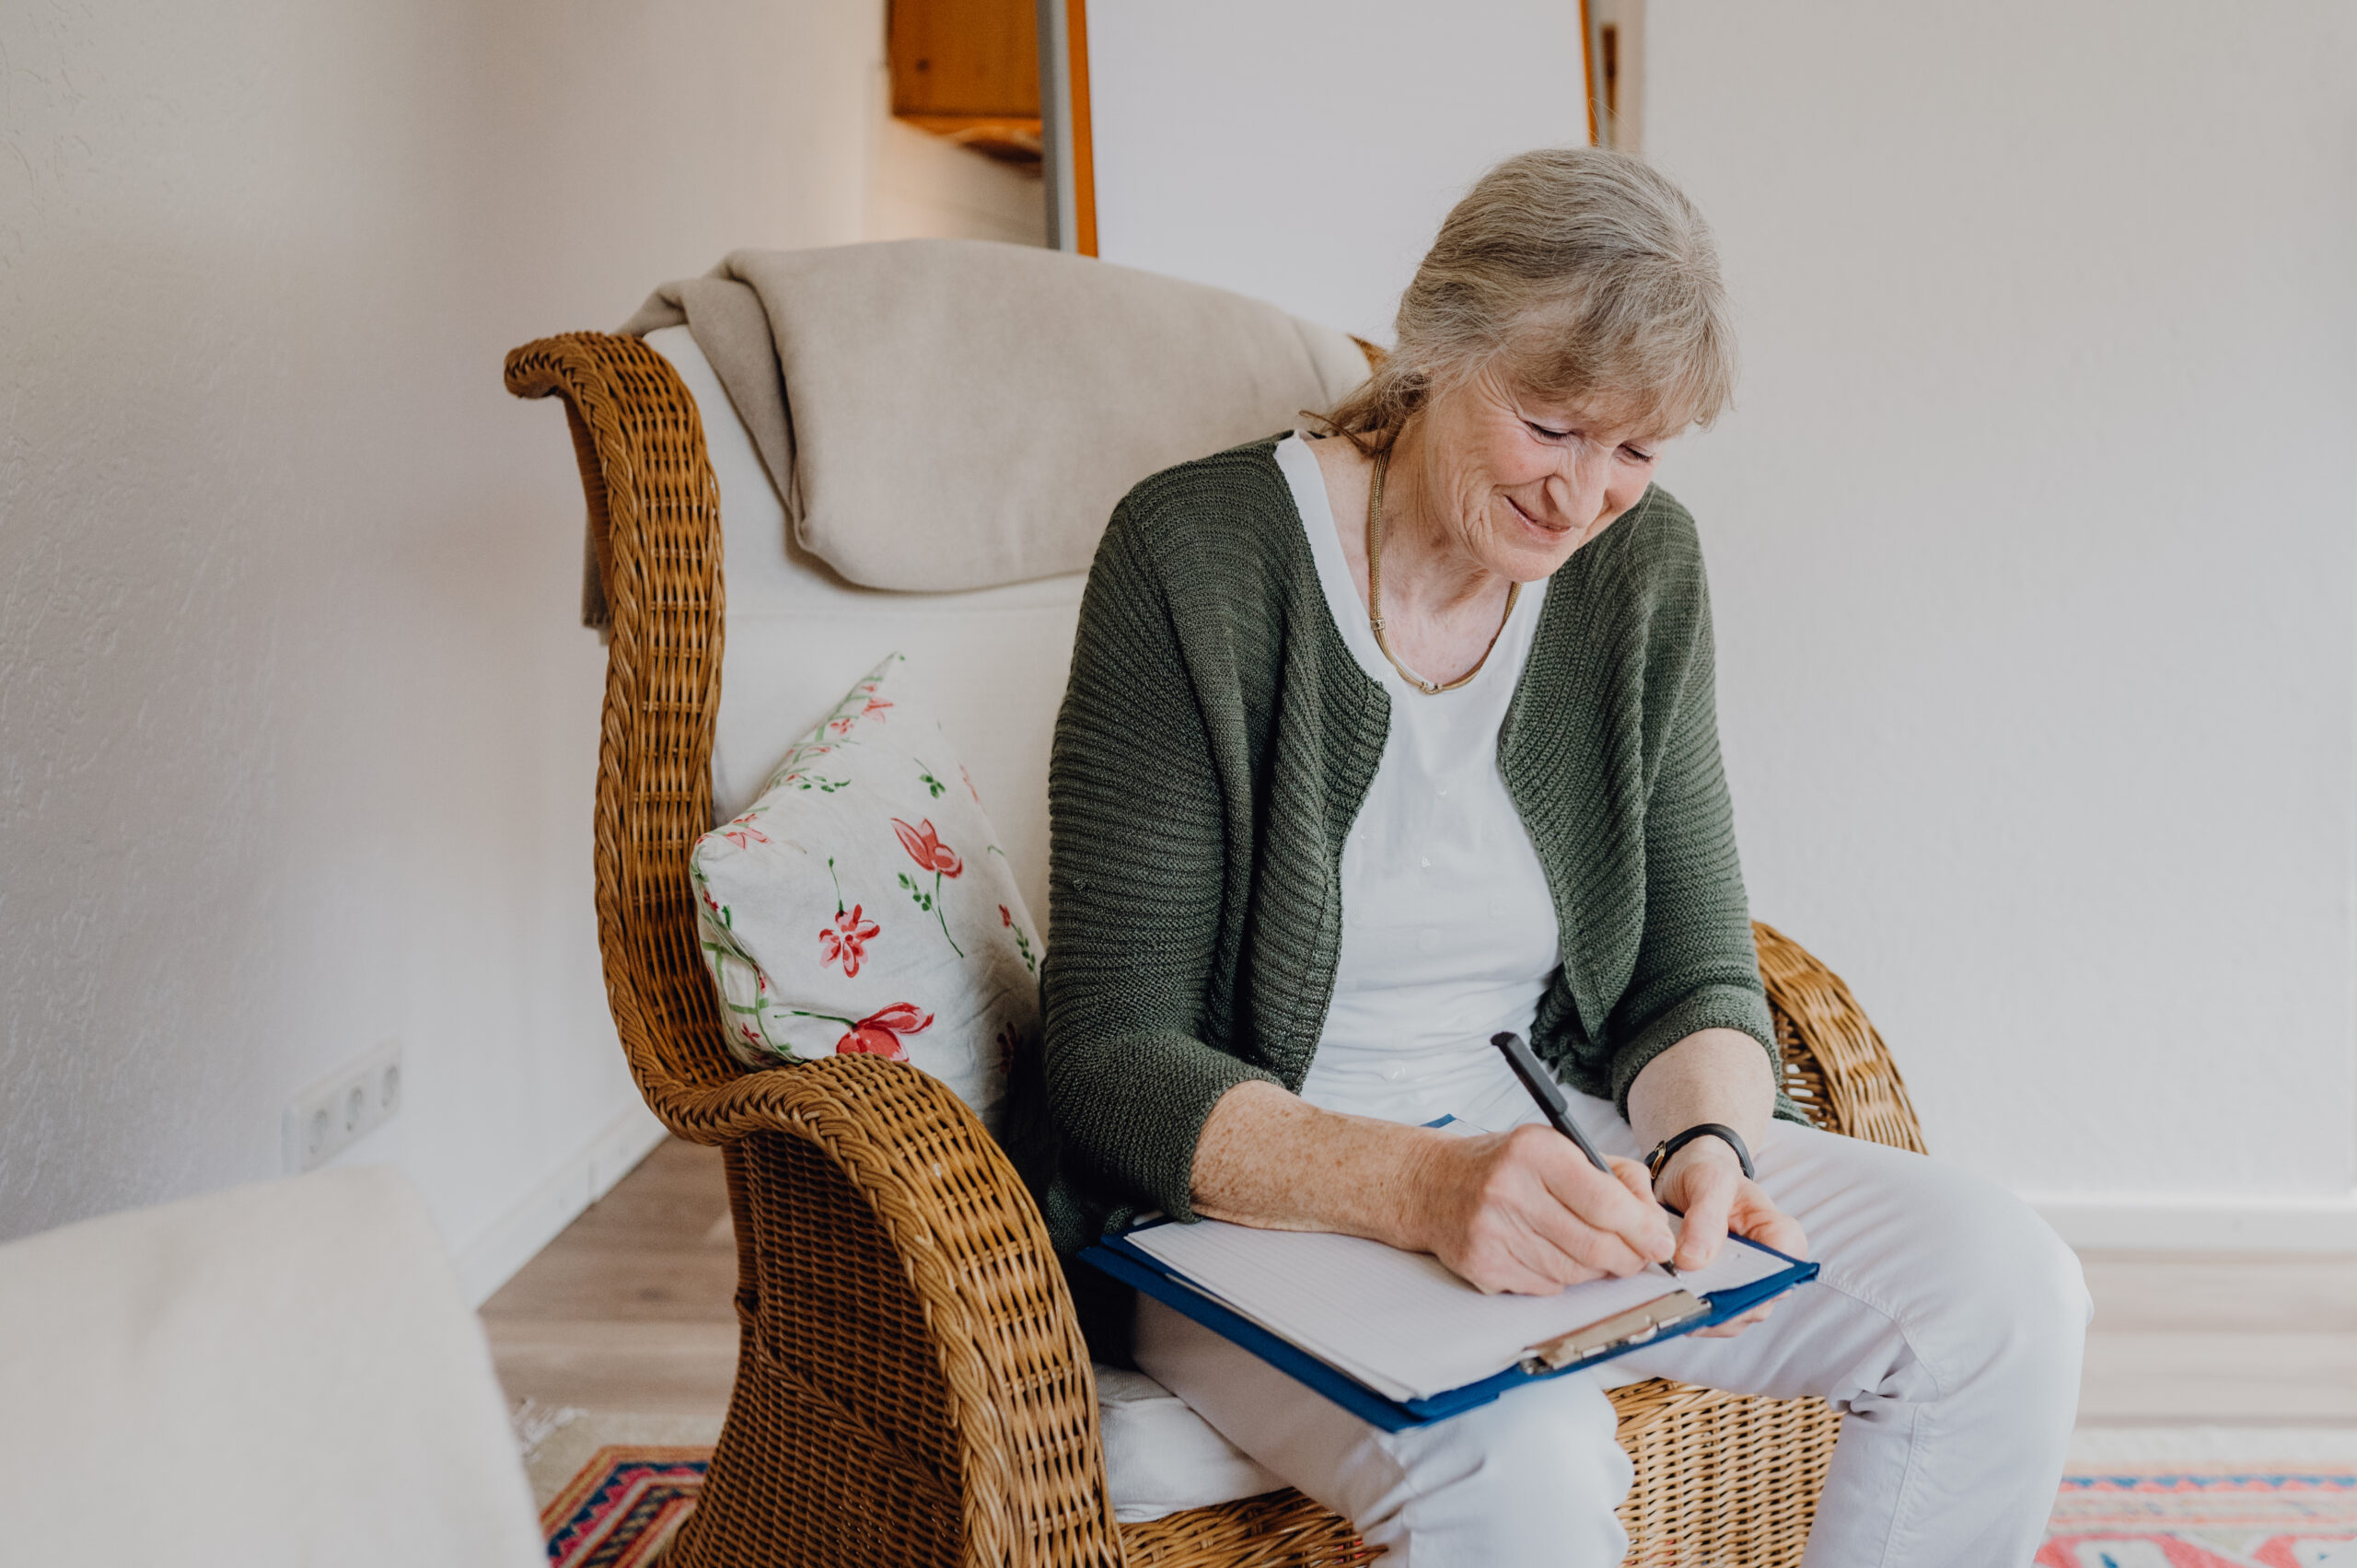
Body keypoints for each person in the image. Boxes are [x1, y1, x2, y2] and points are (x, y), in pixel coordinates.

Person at [1023, 147, 2089, 1566]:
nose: (1584, 497)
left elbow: (1695, 970)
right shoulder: (1196, 555)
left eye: (1637, 452)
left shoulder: (1643, 574)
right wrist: (1428, 1189)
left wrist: (1705, 1145)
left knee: (2006, 1293)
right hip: (1255, 1203)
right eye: (1551, 426)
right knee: (1520, 1462)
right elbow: (1110, 1056)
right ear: (1434, 347)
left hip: (1560, 1149)